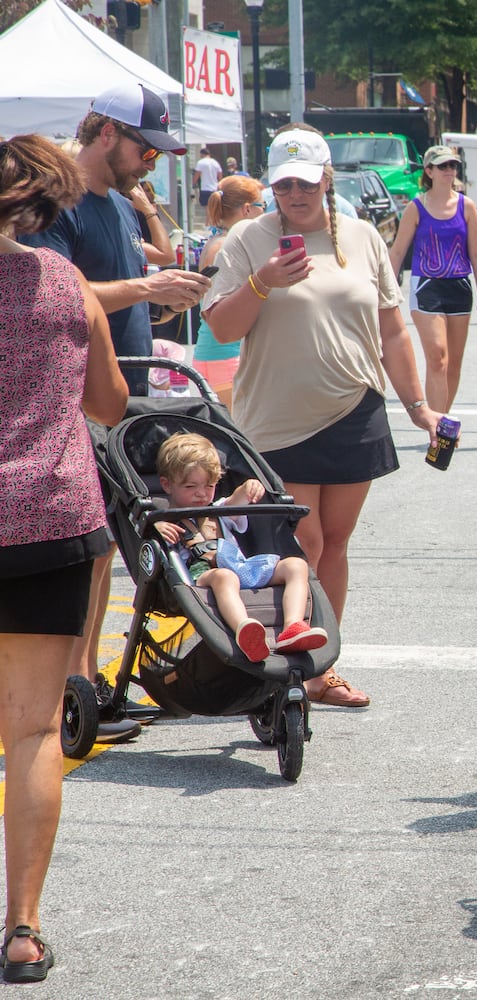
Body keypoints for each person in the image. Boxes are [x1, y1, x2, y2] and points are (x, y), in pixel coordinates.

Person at [203, 125, 442, 708]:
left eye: (305, 183)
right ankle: (284, 664)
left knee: (335, 540)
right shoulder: (247, 240)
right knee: (301, 541)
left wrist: (418, 406)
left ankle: (320, 667)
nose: (295, 195)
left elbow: (391, 328)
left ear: (326, 178)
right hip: (278, 418)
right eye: (283, 185)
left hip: (353, 407)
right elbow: (221, 328)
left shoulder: (360, 237)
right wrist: (261, 283)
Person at [21, 83, 212, 738]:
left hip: (118, 405)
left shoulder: (121, 206)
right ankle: (73, 693)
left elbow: (114, 291)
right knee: (90, 554)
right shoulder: (60, 205)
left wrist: (160, 299)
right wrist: (148, 286)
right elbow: (52, 291)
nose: (151, 161)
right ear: (106, 134)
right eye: (144, 147)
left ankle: (87, 685)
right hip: (77, 407)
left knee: (104, 553)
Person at [2, 133, 129, 986]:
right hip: (47, 516)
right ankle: (21, 928)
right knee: (33, 729)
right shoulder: (63, 283)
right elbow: (110, 401)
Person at [152, 432, 327, 661]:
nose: (201, 493)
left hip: (242, 567)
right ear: (167, 484)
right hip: (202, 576)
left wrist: (248, 488)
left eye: (210, 485)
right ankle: (244, 628)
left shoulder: (220, 509)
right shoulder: (166, 519)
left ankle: (293, 625)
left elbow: (235, 501)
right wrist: (156, 527)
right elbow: (142, 530)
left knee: (296, 565)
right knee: (225, 577)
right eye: (190, 486)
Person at [389, 145, 477, 416]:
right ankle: (438, 426)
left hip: (459, 285)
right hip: (426, 286)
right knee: (437, 356)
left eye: (452, 166)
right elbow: (397, 251)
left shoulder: (467, 206)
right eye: (442, 166)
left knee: (453, 363)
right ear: (429, 171)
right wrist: (385, 291)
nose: (449, 171)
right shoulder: (416, 207)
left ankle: (442, 420)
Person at [193, 175, 266, 410]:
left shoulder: (213, 243)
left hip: (208, 350)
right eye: (262, 207)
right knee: (240, 437)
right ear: (247, 209)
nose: (265, 214)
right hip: (228, 356)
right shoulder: (228, 247)